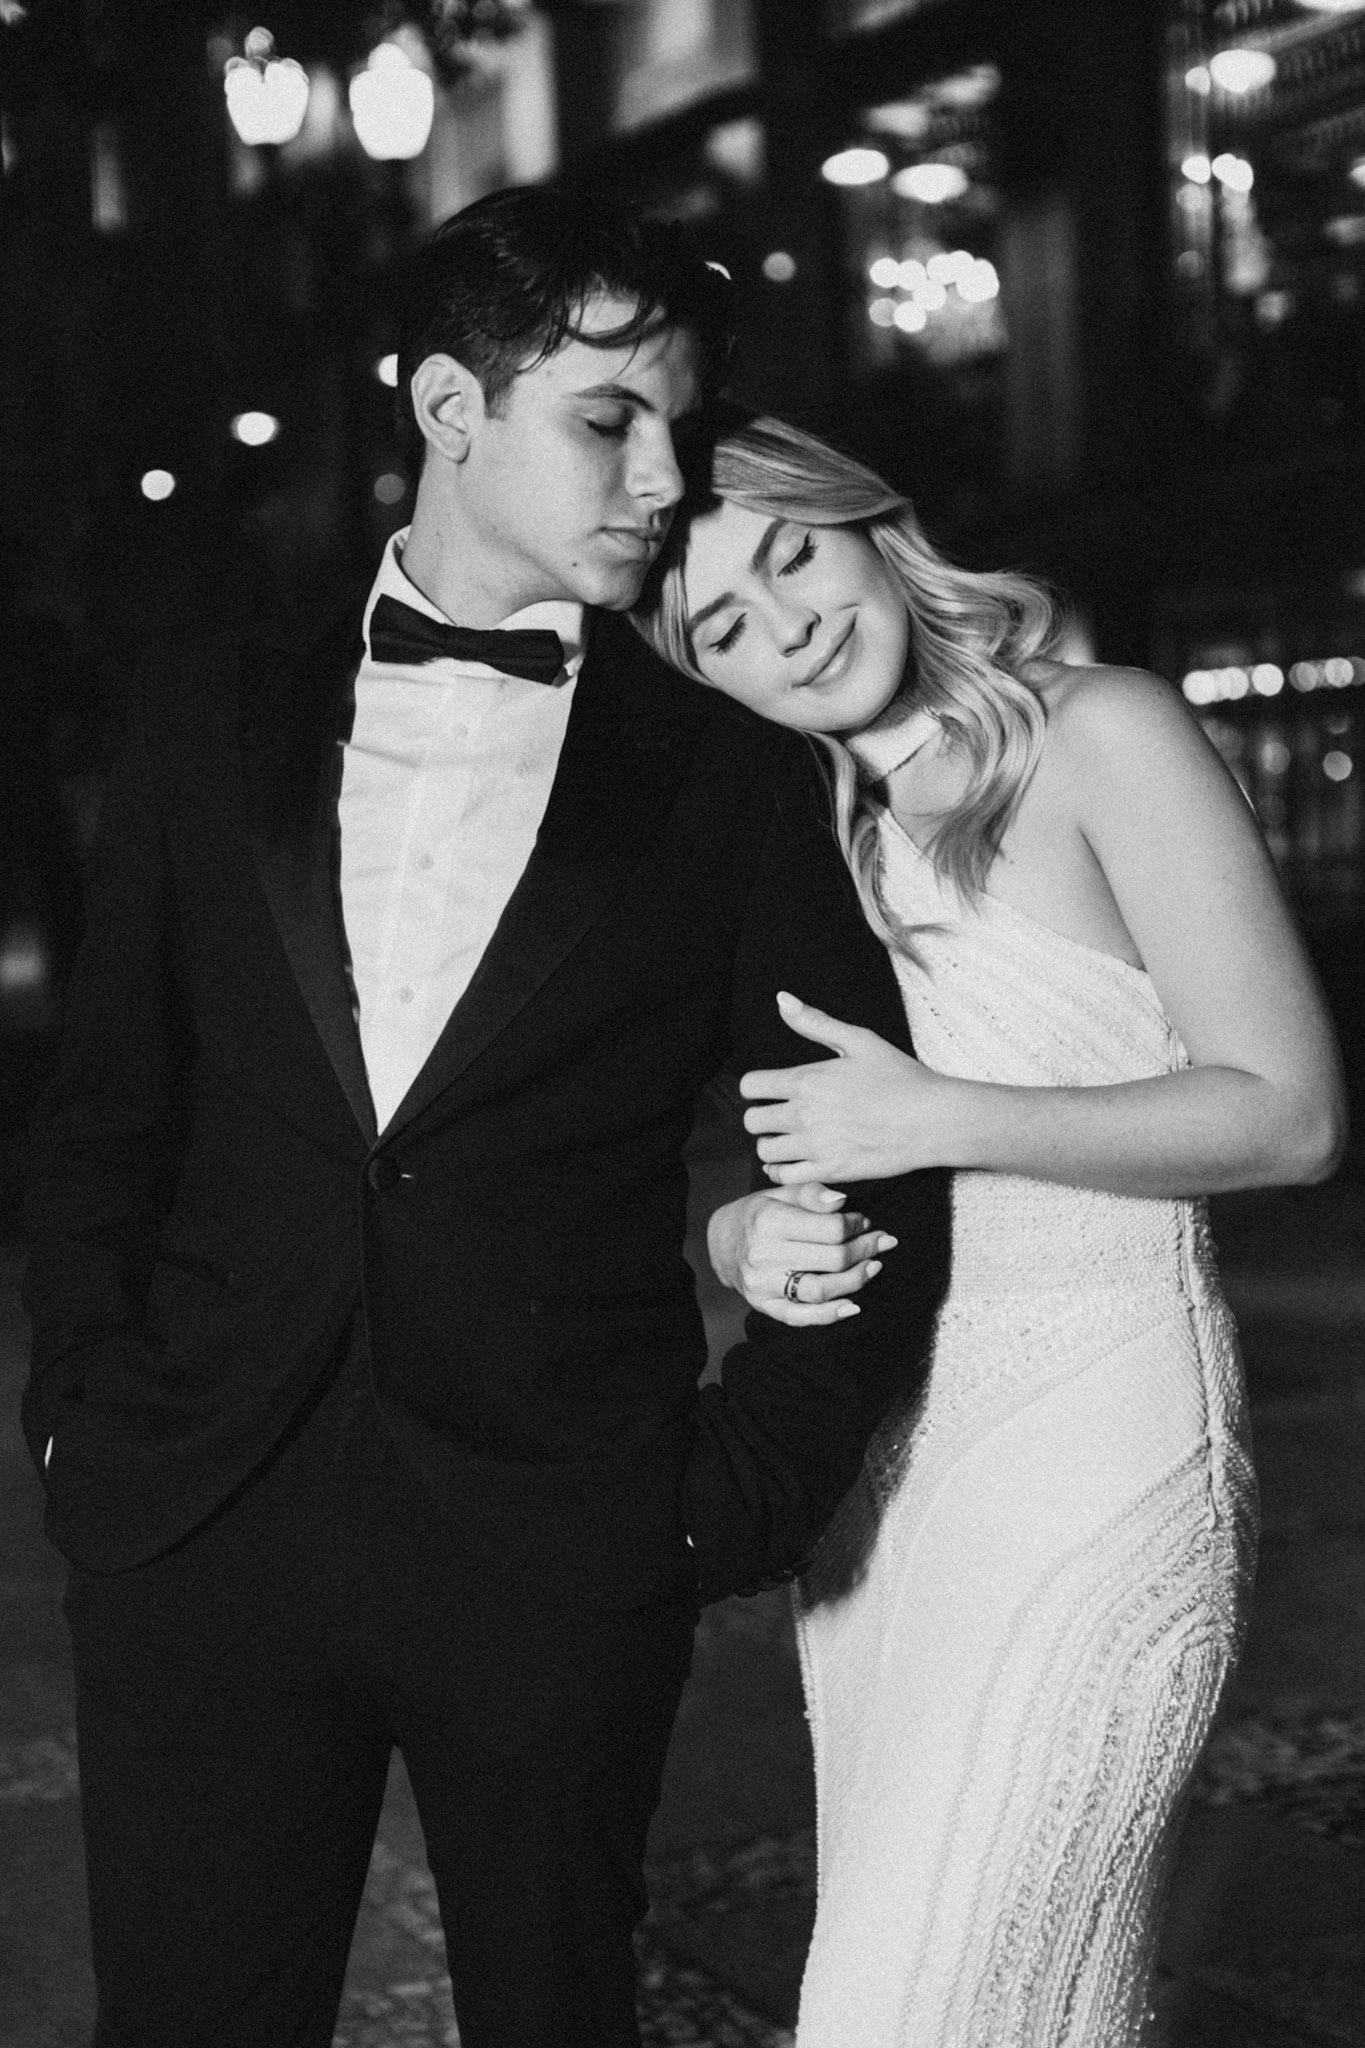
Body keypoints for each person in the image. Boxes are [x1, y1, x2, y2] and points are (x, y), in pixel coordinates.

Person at [21, 197, 949, 2048]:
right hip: (201, 1521)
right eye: (607, 421)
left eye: (676, 425)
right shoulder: (207, 712)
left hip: (562, 1539)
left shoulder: (729, 768)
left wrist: (737, 1491)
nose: (661, 478)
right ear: (450, 406)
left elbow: (871, 1139)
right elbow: (108, 1112)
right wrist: (82, 1429)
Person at [631, 409, 1346, 2046]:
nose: (787, 623)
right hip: (878, 1494)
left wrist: (943, 1117)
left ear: (867, 523)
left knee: (905, 2007)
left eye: (790, 555)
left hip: (1097, 1448)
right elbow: (757, 1152)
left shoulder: (1102, 732)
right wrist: (743, 1239)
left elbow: (1290, 1115)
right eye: (721, 624)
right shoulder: (790, 838)